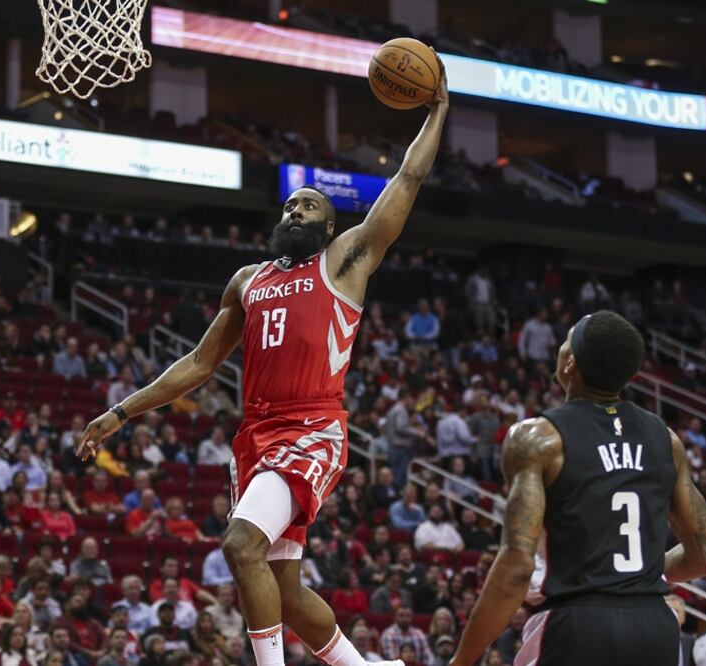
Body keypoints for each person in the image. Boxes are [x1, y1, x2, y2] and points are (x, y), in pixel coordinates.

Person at [79, 54, 449, 666]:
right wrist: (121, 411)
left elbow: (405, 181)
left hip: (311, 428)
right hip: (255, 435)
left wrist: (436, 111)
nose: (293, 213)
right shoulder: (247, 280)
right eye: (288, 207)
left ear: (330, 227)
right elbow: (199, 364)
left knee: (241, 544)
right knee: (282, 588)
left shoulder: (344, 261)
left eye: (307, 208)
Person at [448, 311, 706, 666]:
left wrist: (461, 660)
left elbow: (516, 566)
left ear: (570, 363)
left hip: (575, 626)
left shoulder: (537, 440)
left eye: (565, 340)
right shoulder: (665, 440)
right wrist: (632, 577)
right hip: (655, 627)